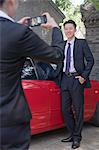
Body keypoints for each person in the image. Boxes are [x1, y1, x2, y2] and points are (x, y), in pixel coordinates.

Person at [0, 0, 65, 149]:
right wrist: (55, 28)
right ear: (11, 2)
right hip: (9, 123)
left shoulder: (16, 31)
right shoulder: (19, 33)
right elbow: (57, 55)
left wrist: (14, 26)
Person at [60, 20, 94, 149]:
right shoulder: (62, 45)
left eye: (70, 28)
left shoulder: (81, 43)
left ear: (74, 29)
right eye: (66, 29)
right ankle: (73, 133)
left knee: (78, 110)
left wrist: (84, 76)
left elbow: (90, 60)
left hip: (76, 79)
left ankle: (77, 137)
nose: (68, 31)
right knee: (65, 109)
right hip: (64, 79)